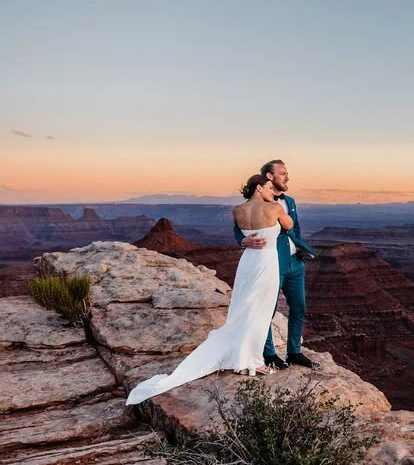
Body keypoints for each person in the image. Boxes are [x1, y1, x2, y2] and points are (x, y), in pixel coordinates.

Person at [127, 174, 313, 405]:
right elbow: (289, 225)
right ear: (259, 187)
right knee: (260, 311)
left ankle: (244, 355)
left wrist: (245, 240)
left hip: (247, 264)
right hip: (266, 264)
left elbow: (242, 232)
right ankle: (252, 361)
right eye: (268, 187)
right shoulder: (274, 207)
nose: (273, 191)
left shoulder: (237, 210)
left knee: (244, 308)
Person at [233, 159, 320, 370]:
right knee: (267, 310)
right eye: (282, 173)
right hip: (272, 263)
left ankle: (294, 352)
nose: (287, 177)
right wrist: (243, 241)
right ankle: (269, 353)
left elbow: (294, 228)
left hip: (295, 263)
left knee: (299, 307)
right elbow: (238, 228)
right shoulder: (258, 205)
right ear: (269, 177)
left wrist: (299, 248)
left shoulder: (289, 201)